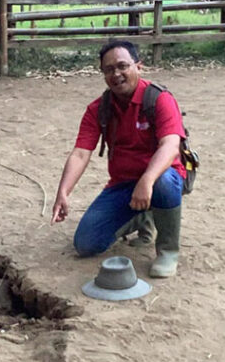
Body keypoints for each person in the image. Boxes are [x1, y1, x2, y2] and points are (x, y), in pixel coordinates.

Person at [50, 40, 186, 278]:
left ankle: (167, 251)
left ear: (138, 66)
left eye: (123, 66)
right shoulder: (98, 109)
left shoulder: (159, 99)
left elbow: (170, 145)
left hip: (162, 178)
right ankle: (141, 215)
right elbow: (81, 152)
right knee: (86, 244)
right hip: (123, 184)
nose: (117, 74)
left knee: (163, 181)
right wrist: (63, 192)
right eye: (109, 69)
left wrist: (147, 180)